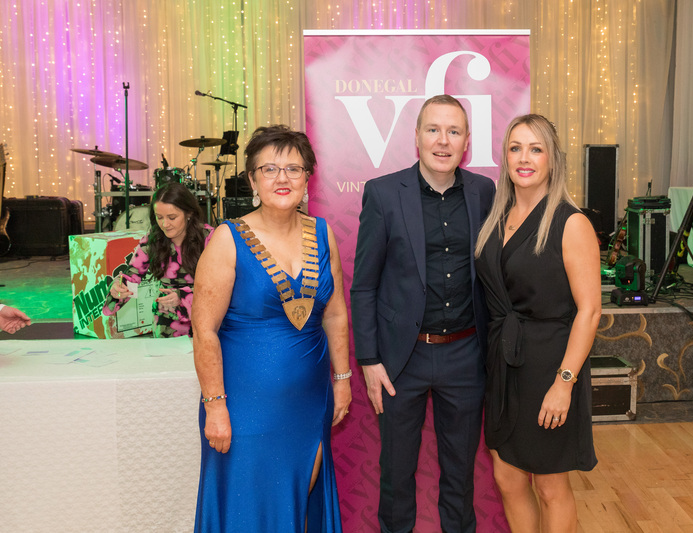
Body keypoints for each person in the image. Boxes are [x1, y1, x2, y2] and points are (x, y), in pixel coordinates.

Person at [192, 125, 351, 532]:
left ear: (307, 178)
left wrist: (342, 380)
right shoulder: (226, 240)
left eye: (294, 169)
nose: (283, 178)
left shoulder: (323, 234)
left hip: (309, 403)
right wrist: (215, 405)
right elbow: (204, 330)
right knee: (248, 514)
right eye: (270, 169)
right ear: (252, 180)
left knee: (297, 506)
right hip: (243, 408)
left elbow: (335, 315)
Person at [350, 95, 496, 533]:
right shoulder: (383, 194)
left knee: (460, 477)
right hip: (401, 359)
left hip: (466, 355)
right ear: (416, 137)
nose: (443, 141)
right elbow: (364, 285)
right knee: (396, 476)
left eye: (454, 131)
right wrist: (369, 360)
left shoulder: (485, 192)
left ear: (466, 141)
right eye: (433, 129)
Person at [474, 114, 601, 532]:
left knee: (549, 485)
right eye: (515, 148)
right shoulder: (497, 217)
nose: (524, 158)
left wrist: (564, 383)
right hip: (503, 362)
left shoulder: (570, 222)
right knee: (507, 477)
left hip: (550, 366)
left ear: (552, 159)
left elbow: (590, 311)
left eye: (535, 149)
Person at [104, 182, 214, 338]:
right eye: (159, 217)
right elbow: (132, 277)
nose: (165, 224)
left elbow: (220, 286)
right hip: (167, 324)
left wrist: (182, 297)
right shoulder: (153, 240)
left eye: (172, 217)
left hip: (205, 322)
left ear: (189, 213)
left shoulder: (209, 238)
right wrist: (118, 288)